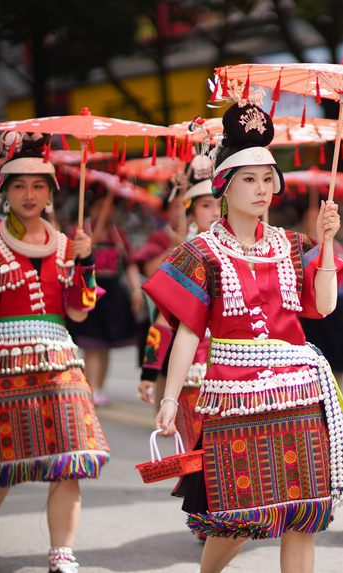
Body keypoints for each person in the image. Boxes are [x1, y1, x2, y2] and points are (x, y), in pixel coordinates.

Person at [143, 102, 343, 573]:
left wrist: (328, 242)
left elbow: (326, 305)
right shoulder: (201, 252)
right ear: (224, 185)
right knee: (236, 518)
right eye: (249, 179)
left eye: (267, 179)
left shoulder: (294, 245)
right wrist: (172, 398)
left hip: (299, 394)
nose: (261, 189)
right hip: (234, 396)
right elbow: (187, 331)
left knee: (304, 512)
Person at [0, 132, 108, 573]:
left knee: (71, 461)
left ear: (51, 193)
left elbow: (78, 311)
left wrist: (86, 262)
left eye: (38, 185)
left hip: (60, 363)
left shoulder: (67, 245)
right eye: (18, 185)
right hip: (2, 367)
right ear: (4, 191)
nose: (29, 194)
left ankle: (61, 554)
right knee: (2, 467)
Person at [138, 155, 221, 453]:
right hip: (195, 372)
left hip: (242, 370)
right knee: (199, 459)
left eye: (217, 203)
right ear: (190, 212)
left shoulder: (251, 248)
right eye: (204, 205)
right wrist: (149, 372)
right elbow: (162, 321)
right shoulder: (184, 256)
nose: (214, 212)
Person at [67, 192, 144, 406]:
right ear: (91, 208)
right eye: (99, 206)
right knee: (92, 344)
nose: (105, 211)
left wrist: (136, 290)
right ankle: (90, 387)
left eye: (108, 206)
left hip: (112, 293)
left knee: (106, 345)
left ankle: (99, 388)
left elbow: (129, 264)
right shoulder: (80, 232)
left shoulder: (118, 235)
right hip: (90, 287)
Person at [299, 204, 343, 384]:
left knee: (339, 360)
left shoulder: (339, 249)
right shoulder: (297, 246)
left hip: (337, 308)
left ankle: (337, 395)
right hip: (310, 310)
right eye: (311, 219)